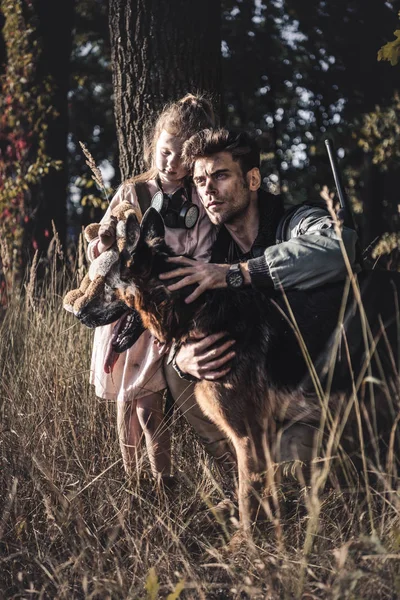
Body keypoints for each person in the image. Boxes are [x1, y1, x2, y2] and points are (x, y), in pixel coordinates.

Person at [160, 128, 359, 462]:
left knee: (293, 469)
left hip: (316, 394)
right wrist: (184, 362)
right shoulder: (213, 251)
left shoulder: (293, 222)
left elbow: (340, 246)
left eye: (220, 175)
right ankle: (236, 474)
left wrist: (240, 273)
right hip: (255, 397)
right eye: (200, 180)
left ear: (252, 180)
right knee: (172, 369)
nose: (208, 189)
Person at [88, 96, 233, 484]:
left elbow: (201, 254)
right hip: (130, 318)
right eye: (164, 152)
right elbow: (99, 251)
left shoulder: (198, 202)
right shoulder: (131, 192)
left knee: (159, 407)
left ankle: (165, 480)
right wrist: (102, 242)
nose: (170, 163)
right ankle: (137, 483)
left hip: (169, 318)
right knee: (135, 404)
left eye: (180, 156)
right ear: (155, 145)